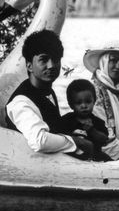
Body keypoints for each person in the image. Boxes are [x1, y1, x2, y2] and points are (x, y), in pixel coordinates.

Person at [5, 29, 90, 158]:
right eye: (43, 60)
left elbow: (53, 126)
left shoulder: (46, 90)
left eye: (55, 59)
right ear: (29, 66)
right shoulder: (21, 102)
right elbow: (40, 141)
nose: (51, 65)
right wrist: (76, 142)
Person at [54, 79, 111, 162]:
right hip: (71, 159)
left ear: (94, 101)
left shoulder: (97, 121)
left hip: (95, 157)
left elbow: (104, 140)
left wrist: (92, 130)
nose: (84, 106)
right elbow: (58, 137)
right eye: (78, 103)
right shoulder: (66, 120)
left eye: (88, 102)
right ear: (71, 104)